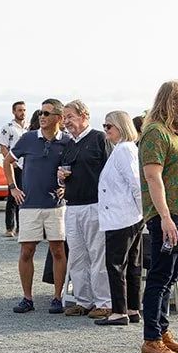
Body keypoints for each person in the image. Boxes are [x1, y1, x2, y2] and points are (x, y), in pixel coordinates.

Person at [138, 79, 178, 353]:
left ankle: (163, 332)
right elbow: (153, 177)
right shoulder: (155, 133)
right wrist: (164, 217)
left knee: (171, 278)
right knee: (159, 278)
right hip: (168, 218)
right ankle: (151, 340)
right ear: (172, 101)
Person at [8, 99, 71, 314]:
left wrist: (67, 187)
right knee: (27, 250)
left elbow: (76, 169)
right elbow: (7, 160)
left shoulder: (68, 142)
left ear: (58, 118)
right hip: (29, 205)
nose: (41, 117)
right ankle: (27, 298)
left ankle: (57, 297)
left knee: (58, 251)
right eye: (40, 113)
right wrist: (12, 188)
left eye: (46, 113)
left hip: (56, 205)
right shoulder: (27, 139)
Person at [56, 100, 111, 318]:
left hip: (95, 205)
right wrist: (60, 178)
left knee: (98, 255)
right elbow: (63, 175)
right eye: (65, 117)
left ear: (84, 115)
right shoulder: (69, 144)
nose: (66, 121)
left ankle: (104, 302)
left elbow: (110, 173)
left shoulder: (99, 139)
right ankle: (83, 301)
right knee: (77, 257)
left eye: (70, 116)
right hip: (72, 206)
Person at [96, 111, 143, 326]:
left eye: (109, 127)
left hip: (122, 217)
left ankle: (119, 311)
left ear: (121, 128)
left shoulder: (124, 150)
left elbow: (135, 183)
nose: (106, 130)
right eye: (104, 126)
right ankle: (132, 308)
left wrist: (143, 212)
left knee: (115, 264)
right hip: (127, 215)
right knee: (131, 264)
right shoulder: (124, 149)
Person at [0, 101, 28, 239]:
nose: (22, 113)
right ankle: (9, 227)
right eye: (20, 110)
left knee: (25, 196)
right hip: (14, 165)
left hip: (27, 166)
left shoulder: (29, 128)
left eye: (24, 110)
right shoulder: (7, 128)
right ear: (14, 112)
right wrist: (11, 162)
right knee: (12, 196)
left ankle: (22, 226)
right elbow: (3, 146)